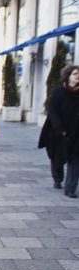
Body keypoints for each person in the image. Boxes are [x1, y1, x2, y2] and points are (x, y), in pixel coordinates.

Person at [39, 65, 79, 198]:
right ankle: (58, 179)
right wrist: (60, 129)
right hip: (59, 132)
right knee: (57, 158)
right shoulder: (59, 92)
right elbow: (53, 111)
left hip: (76, 133)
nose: (77, 76)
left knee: (75, 160)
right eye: (75, 74)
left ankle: (70, 189)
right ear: (68, 76)